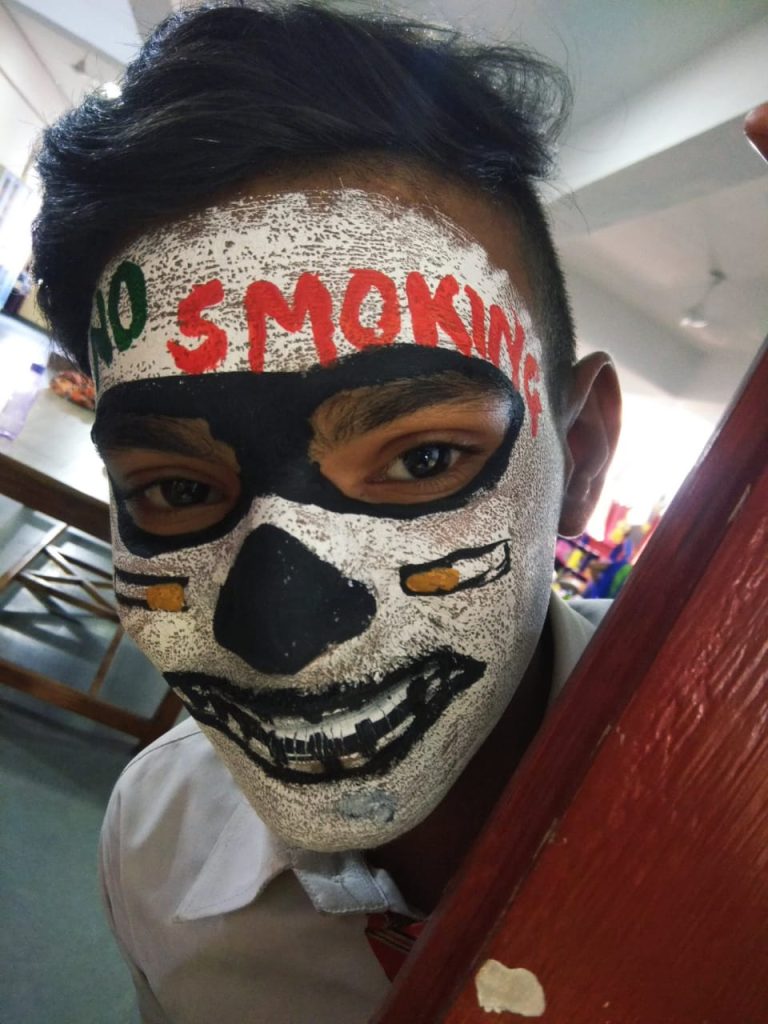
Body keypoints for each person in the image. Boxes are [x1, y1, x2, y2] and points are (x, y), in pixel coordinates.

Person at [32, 3, 621, 1021]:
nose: (281, 632)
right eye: (177, 489)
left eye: (423, 458)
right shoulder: (154, 843)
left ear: (584, 459)